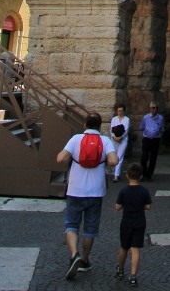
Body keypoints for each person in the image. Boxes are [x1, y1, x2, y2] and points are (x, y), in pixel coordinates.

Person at [56, 112, 118, 280]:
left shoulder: (76, 139)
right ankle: (84, 260)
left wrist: (74, 157)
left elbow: (60, 158)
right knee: (90, 229)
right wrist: (102, 159)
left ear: (84, 125)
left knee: (71, 225)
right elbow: (114, 161)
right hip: (96, 192)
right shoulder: (105, 140)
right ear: (99, 126)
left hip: (75, 190)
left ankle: (74, 254)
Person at [115, 161, 152, 287]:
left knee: (124, 247)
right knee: (135, 249)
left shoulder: (124, 190)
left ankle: (120, 270)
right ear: (141, 176)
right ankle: (133, 276)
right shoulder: (144, 191)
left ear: (127, 176)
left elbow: (117, 207)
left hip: (126, 222)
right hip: (140, 222)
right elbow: (148, 207)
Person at [139, 102, 164, 180]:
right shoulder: (146, 118)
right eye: (153, 108)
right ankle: (143, 173)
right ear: (150, 109)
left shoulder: (161, 118)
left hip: (155, 140)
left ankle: (149, 175)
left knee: (153, 158)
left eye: (156, 108)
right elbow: (142, 127)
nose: (155, 109)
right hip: (147, 139)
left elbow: (162, 129)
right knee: (144, 157)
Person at [110, 103, 130, 182]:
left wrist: (121, 137)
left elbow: (126, 129)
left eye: (121, 111)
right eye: (119, 111)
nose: (120, 112)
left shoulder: (126, 119)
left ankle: (116, 175)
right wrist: (114, 137)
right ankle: (114, 171)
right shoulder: (114, 119)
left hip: (123, 140)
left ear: (124, 111)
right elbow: (111, 130)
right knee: (114, 156)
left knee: (119, 157)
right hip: (114, 140)